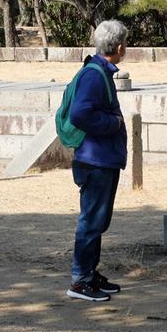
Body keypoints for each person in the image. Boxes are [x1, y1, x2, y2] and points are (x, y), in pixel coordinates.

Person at [65, 19, 128, 302]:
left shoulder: (100, 70)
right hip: (95, 160)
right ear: (119, 46)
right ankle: (80, 280)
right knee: (91, 221)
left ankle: (90, 273)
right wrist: (112, 124)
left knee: (97, 221)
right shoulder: (94, 74)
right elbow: (80, 113)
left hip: (101, 159)